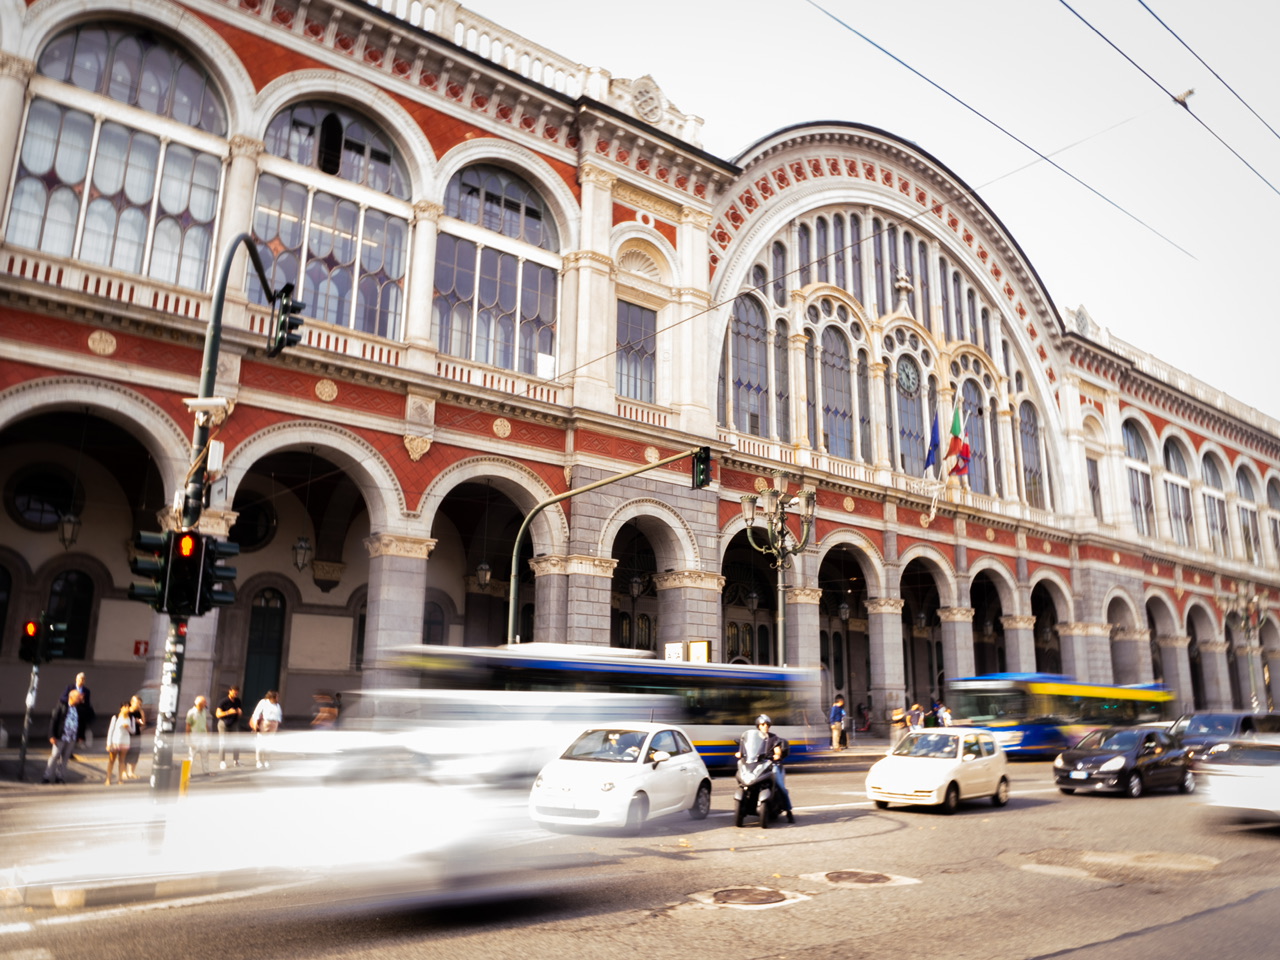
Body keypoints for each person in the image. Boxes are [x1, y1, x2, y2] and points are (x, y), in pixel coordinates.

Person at [736, 714, 793, 823]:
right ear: (758, 726)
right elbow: (746, 750)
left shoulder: (773, 738)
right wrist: (740, 753)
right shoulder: (753, 739)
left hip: (771, 765)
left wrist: (777, 755)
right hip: (756, 765)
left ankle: (789, 811)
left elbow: (777, 751)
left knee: (780, 786)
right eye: (763, 724)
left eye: (767, 724)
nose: (765, 726)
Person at [43, 690, 86, 784]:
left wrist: (81, 736)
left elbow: (82, 723)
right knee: (55, 755)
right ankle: (47, 776)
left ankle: (60, 777)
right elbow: (54, 721)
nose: (80, 699)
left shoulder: (79, 709)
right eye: (78, 697)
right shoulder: (62, 706)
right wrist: (52, 735)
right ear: (71, 697)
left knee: (65, 758)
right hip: (60, 736)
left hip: (72, 737)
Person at [59, 672, 95, 746]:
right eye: (79, 679)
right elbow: (62, 698)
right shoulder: (70, 687)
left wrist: (81, 701)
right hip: (70, 709)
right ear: (76, 679)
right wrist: (73, 699)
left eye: (83, 680)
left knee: (81, 724)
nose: (81, 681)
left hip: (80, 711)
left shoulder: (86, 691)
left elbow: (87, 704)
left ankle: (79, 739)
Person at [250, 690, 283, 769]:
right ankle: (259, 761)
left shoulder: (277, 705)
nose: (278, 698)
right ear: (272, 697)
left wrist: (277, 724)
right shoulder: (264, 702)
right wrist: (255, 723)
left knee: (269, 743)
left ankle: (267, 760)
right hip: (265, 723)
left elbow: (279, 715)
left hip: (274, 724)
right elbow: (256, 713)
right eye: (276, 696)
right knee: (260, 742)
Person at [215, 685, 243, 769]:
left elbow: (240, 712)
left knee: (236, 742)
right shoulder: (223, 701)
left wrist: (239, 712)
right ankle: (222, 761)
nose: (235, 694)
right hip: (224, 723)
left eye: (237, 693)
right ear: (230, 691)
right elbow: (218, 714)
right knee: (223, 743)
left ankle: (236, 760)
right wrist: (228, 712)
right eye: (234, 692)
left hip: (234, 723)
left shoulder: (238, 701)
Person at [104, 702, 131, 785]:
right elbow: (111, 730)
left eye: (128, 707)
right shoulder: (115, 717)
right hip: (115, 741)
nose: (127, 709)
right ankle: (108, 779)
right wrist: (109, 743)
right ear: (121, 708)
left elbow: (132, 730)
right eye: (125, 707)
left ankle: (120, 779)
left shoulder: (129, 718)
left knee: (122, 761)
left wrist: (128, 728)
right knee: (112, 760)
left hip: (125, 741)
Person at [185, 695, 212, 776]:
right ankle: (187, 773)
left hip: (203, 736)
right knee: (191, 756)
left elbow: (205, 723)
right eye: (204, 702)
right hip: (194, 736)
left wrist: (208, 735)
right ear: (199, 703)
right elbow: (188, 726)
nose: (206, 704)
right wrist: (187, 738)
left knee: (205, 754)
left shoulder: (203, 711)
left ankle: (206, 771)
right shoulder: (191, 712)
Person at [124, 695, 146, 780]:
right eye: (137, 703)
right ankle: (124, 772)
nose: (139, 705)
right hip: (126, 734)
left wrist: (141, 714)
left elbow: (143, 723)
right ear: (132, 702)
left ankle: (131, 772)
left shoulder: (139, 712)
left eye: (140, 704)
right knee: (125, 753)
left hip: (136, 734)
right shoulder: (127, 711)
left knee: (135, 753)